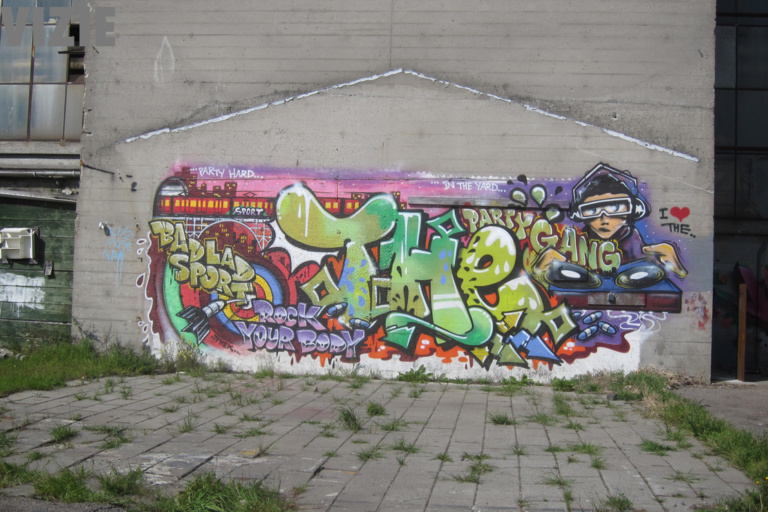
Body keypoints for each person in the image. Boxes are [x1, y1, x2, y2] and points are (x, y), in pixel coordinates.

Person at [533, 163, 687, 278]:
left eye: (615, 208)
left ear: (631, 210)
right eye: (592, 210)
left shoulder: (632, 239)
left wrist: (678, 269)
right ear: (580, 214)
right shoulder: (576, 241)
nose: (604, 219)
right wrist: (538, 269)